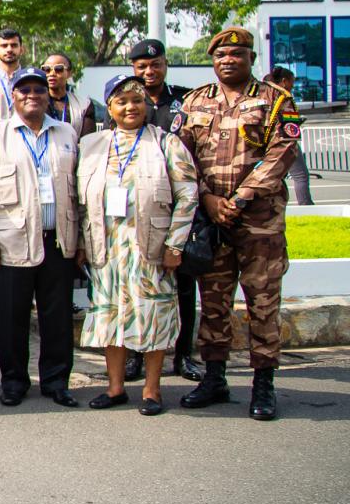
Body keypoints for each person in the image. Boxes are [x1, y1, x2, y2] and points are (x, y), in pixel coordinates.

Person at [176, 27, 300, 421]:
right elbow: (179, 158)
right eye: (221, 55)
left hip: (259, 222)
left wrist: (241, 197)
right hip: (212, 221)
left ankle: (263, 383)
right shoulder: (195, 101)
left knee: (262, 303)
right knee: (213, 302)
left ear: (250, 58)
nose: (228, 60)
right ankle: (215, 378)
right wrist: (209, 200)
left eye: (236, 54)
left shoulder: (274, 100)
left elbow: (282, 153)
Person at [76, 75, 198, 416]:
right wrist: (82, 244)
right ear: (110, 108)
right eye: (122, 102)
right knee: (110, 318)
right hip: (106, 248)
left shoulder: (165, 143)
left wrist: (175, 244)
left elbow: (188, 196)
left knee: (152, 316)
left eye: (137, 101)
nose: (130, 107)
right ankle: (115, 388)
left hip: (150, 246)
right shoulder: (92, 145)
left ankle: (152, 389)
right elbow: (80, 201)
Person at [0, 66, 81, 407]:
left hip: (59, 240)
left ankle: (56, 381)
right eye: (24, 91)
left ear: (49, 95)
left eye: (39, 90)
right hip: (9, 243)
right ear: (13, 97)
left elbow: (81, 190)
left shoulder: (67, 134)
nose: (32, 96)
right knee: (12, 318)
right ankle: (14, 382)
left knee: (57, 317)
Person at [126, 37, 201, 383]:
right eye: (141, 66)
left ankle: (183, 355)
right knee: (136, 287)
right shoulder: (127, 102)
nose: (149, 71)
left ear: (165, 65)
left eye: (155, 65)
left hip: (179, 209)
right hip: (140, 211)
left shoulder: (186, 101)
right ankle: (135, 356)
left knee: (184, 286)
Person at [264, 68, 313, 205]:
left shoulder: (259, 94)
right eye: (292, 82)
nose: (293, 85)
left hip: (262, 143)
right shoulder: (283, 97)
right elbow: (290, 128)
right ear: (284, 81)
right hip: (283, 142)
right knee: (300, 176)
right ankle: (306, 205)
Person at [42, 53, 98, 136]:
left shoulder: (84, 104)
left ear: (69, 73)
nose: (52, 73)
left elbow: (88, 140)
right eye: (47, 69)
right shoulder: (35, 101)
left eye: (58, 69)